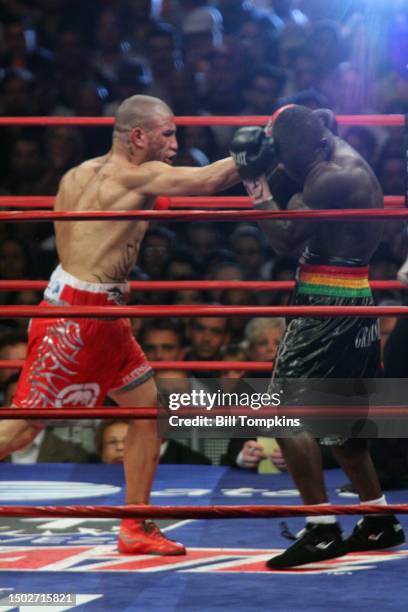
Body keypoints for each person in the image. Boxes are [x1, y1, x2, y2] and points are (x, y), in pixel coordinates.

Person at [0, 94, 240, 556]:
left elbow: (78, 247)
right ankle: (135, 523)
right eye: (167, 133)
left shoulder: (75, 175)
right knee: (24, 427)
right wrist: (268, 144)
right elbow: (210, 180)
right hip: (77, 320)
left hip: (98, 312)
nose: (175, 143)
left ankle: (135, 524)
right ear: (138, 137)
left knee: (148, 411)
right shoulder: (137, 174)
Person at [230, 104, 405, 568]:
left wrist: (256, 183)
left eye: (293, 162)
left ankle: (321, 528)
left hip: (328, 304)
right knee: (343, 425)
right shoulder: (326, 143)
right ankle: (377, 519)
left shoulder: (330, 176)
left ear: (320, 145)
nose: (290, 169)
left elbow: (286, 240)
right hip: (349, 297)